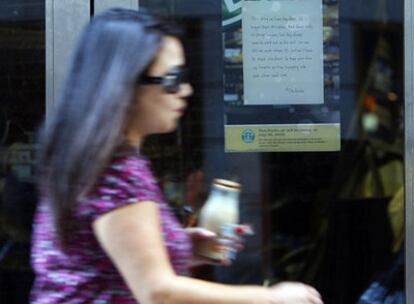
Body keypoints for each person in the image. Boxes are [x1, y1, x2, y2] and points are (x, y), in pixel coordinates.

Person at [30, 8, 323, 304]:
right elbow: (159, 293)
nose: (185, 90)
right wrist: (272, 298)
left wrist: (179, 246)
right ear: (125, 83)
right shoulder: (116, 170)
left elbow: (102, 263)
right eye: (172, 79)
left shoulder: (95, 157)